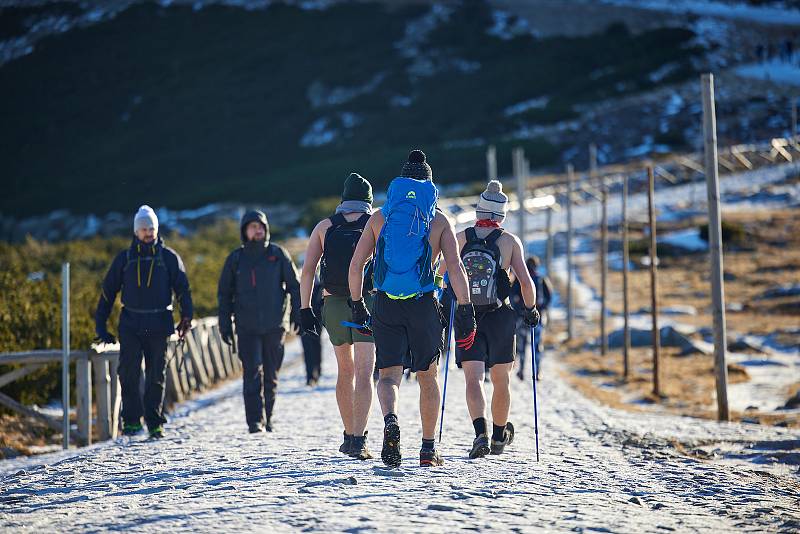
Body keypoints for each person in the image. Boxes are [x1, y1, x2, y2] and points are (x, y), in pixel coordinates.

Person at [348, 150, 476, 468]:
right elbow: (456, 268)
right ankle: (428, 449)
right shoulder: (439, 220)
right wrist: (466, 307)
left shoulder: (380, 217)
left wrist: (356, 304)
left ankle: (391, 421)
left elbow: (355, 265)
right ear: (429, 186)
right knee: (427, 376)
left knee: (388, 375)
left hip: (386, 304)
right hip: (423, 305)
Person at [448, 180, 539, 459]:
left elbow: (443, 274)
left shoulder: (460, 238)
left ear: (478, 210)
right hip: (501, 316)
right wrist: (531, 310)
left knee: (473, 379)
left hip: (467, 315)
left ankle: (480, 434)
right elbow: (525, 281)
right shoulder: (510, 241)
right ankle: (500, 436)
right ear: (502, 214)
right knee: (501, 380)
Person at [95, 205, 193, 439]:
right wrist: (101, 325)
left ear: (156, 230)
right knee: (128, 373)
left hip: (159, 321)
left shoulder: (169, 258)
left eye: (151, 228)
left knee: (156, 375)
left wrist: (186, 316)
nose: (148, 232)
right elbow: (108, 294)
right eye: (143, 229)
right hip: (130, 322)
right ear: (136, 231)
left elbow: (183, 290)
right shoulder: (124, 258)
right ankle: (131, 422)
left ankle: (154, 421)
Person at [299, 173, 376, 460]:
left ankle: (347, 434)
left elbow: (307, 271)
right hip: (366, 302)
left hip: (332, 304)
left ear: (343, 199)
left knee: (345, 370)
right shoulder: (374, 224)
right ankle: (359, 438)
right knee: (365, 371)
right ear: (368, 200)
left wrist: (305, 309)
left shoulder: (325, 226)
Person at [217, 210, 301, 434]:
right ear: (245, 231)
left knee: (271, 375)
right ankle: (254, 421)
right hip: (246, 326)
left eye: (261, 225)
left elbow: (294, 285)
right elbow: (224, 294)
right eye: (252, 226)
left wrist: (297, 313)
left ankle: (268, 416)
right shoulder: (236, 259)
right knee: (251, 373)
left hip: (275, 325)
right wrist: (224, 323)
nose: (258, 229)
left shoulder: (278, 254)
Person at [512, 256, 552, 381]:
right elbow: (549, 296)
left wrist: (520, 310)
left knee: (522, 345)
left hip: (522, 317)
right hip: (538, 317)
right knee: (537, 345)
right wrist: (541, 308)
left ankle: (521, 371)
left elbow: (512, 296)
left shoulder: (521, 279)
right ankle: (537, 372)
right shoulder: (541, 278)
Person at [301, 275, 324, 387]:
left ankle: (317, 371)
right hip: (304, 316)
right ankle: (310, 376)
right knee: (306, 346)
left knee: (316, 344)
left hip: (318, 317)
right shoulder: (301, 280)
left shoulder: (320, 281)